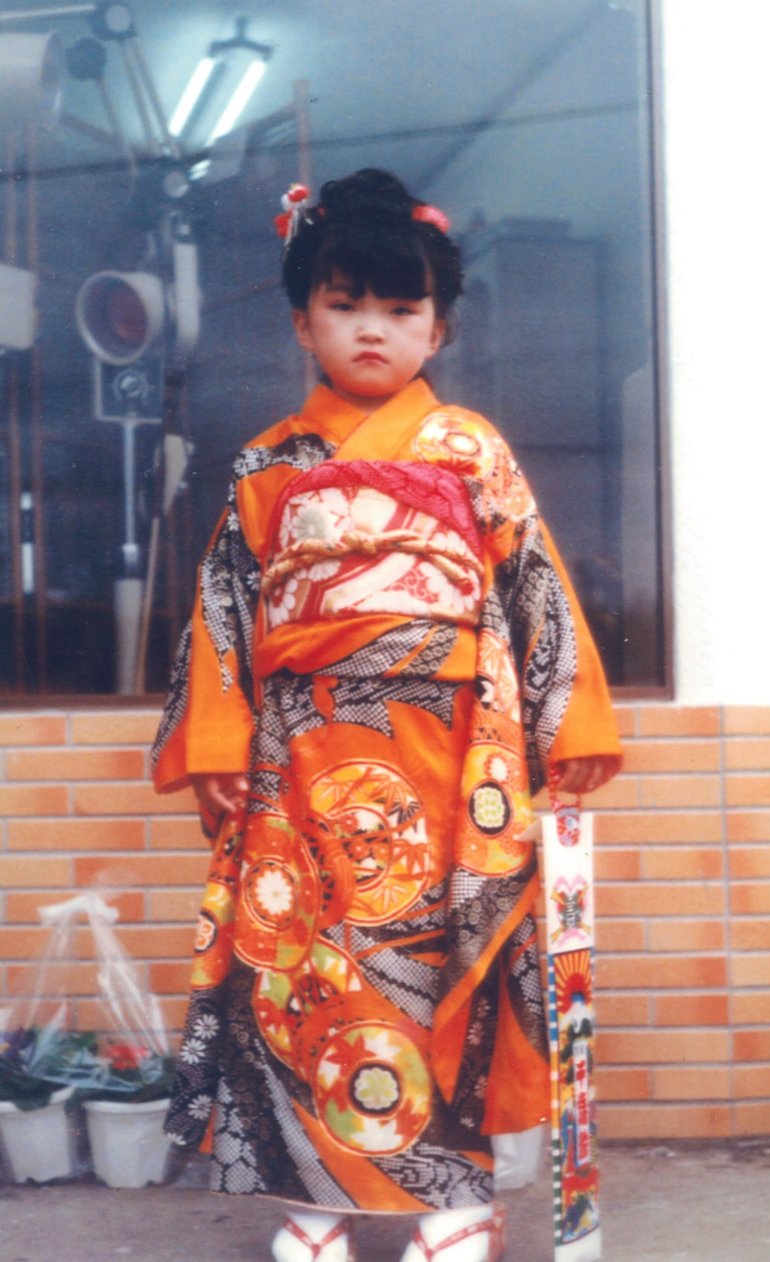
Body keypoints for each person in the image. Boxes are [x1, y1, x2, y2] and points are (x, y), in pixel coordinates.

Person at [152, 168, 621, 1262]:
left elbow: (534, 588)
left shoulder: (471, 449)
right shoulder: (268, 463)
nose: (374, 329)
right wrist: (221, 741)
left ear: (440, 327)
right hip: (303, 751)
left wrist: (571, 726)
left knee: (443, 966)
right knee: (304, 964)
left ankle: (454, 1204)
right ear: (303, 317)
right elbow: (224, 609)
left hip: (452, 756)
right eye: (347, 303)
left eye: (402, 309)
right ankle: (314, 1201)